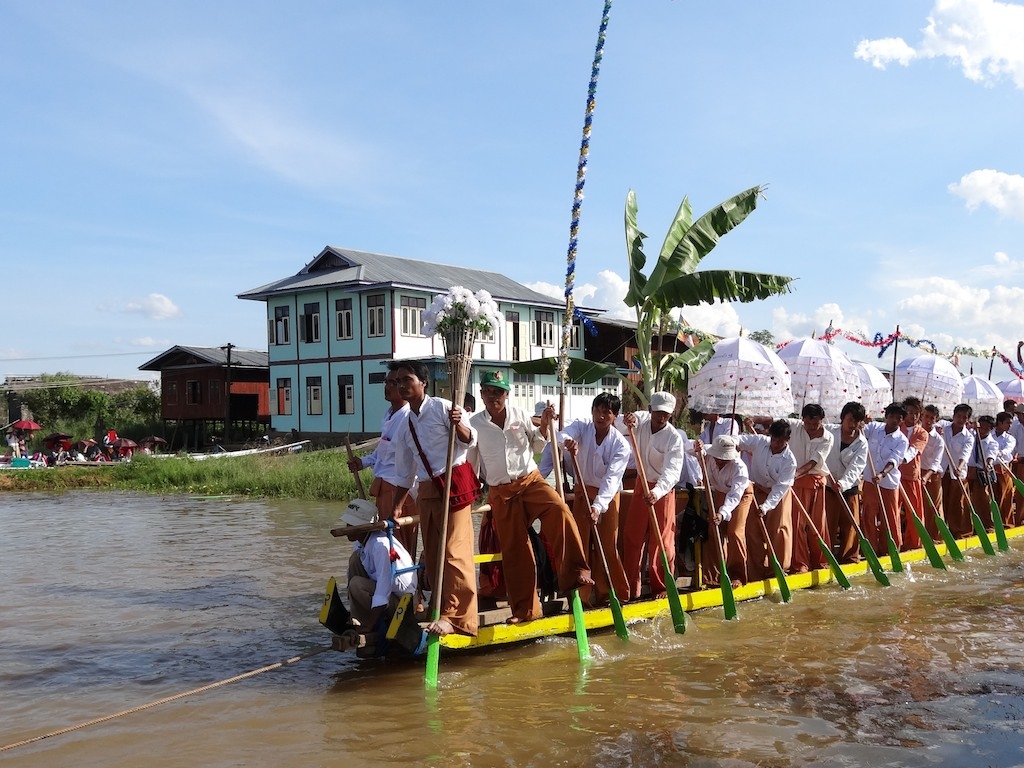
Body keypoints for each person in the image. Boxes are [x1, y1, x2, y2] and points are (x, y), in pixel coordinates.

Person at [469, 371, 592, 624]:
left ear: (506, 394)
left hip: (530, 480)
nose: (493, 396)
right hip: (502, 491)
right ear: (481, 394)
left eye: (498, 392)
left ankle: (576, 573)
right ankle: (524, 610)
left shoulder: (520, 415)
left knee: (560, 510)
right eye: (488, 391)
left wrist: (545, 425)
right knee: (515, 550)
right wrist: (473, 492)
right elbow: (473, 462)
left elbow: (537, 445)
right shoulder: (475, 424)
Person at [390, 361, 479, 638]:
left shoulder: (443, 407)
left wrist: (458, 423)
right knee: (433, 554)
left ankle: (458, 617)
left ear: (423, 383)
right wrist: (395, 507)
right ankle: (439, 608)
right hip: (429, 489)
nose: (402, 386)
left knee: (453, 551)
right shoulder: (405, 424)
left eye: (407, 379)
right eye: (398, 382)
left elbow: (469, 439)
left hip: (454, 482)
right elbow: (405, 473)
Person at [560, 392, 631, 607]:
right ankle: (580, 597)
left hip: (607, 496)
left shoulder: (620, 445)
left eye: (606, 412)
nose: (600, 416)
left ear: (615, 416)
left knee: (607, 545)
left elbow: (612, 479)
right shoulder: (582, 426)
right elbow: (562, 434)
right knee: (581, 542)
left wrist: (599, 506)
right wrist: (568, 443)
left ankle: (609, 593)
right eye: (597, 411)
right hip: (582, 490)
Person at [616, 391, 684, 600]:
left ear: (670, 415)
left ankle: (662, 586)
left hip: (662, 490)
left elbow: (673, 470)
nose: (660, 417)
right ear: (650, 410)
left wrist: (656, 492)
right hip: (641, 483)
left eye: (665, 414)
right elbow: (620, 423)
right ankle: (629, 587)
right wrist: (628, 420)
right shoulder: (642, 421)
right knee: (632, 536)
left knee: (661, 541)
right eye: (657, 413)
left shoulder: (673, 437)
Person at [754, 405, 833, 574]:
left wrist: (794, 473)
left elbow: (814, 461)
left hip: (814, 481)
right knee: (796, 525)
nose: (811, 427)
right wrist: (754, 420)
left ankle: (820, 561)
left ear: (822, 421)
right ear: (802, 419)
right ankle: (800, 563)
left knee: (817, 524)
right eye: (808, 423)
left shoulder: (828, 437)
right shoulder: (794, 426)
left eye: (815, 424)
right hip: (794, 484)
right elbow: (772, 421)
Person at [347, 373, 418, 558]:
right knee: (386, 538)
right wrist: (363, 462)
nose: (388, 387)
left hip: (398, 488)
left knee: (398, 541)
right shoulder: (389, 415)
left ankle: (403, 582)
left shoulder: (407, 417)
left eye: (394, 382)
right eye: (386, 382)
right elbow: (383, 449)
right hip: (385, 484)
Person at [735, 420, 797, 579]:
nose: (775, 444)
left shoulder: (790, 461)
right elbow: (739, 440)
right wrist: (733, 444)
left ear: (787, 441)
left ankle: (778, 571)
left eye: (780, 441)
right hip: (756, 489)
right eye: (774, 439)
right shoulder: (760, 441)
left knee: (778, 531)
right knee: (752, 530)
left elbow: (780, 488)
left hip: (778, 494)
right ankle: (756, 572)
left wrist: (766, 506)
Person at [697, 434, 754, 587]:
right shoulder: (707, 455)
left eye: (724, 458)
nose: (720, 461)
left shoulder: (739, 468)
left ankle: (738, 575)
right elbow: (688, 446)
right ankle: (713, 576)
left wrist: (722, 513)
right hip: (720, 492)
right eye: (718, 457)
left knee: (734, 532)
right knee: (713, 530)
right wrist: (697, 448)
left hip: (741, 495)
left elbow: (735, 495)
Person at [861, 403, 910, 554]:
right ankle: (870, 548)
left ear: (902, 420)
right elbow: (861, 430)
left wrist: (882, 474)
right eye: (892, 416)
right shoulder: (874, 428)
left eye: (898, 418)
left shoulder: (902, 440)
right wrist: (862, 422)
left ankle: (890, 549)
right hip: (870, 480)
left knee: (889, 517)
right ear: (886, 416)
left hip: (888, 482)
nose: (894, 420)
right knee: (868, 514)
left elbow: (894, 460)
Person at [824, 401, 868, 563]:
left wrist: (842, 483)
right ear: (843, 418)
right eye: (850, 420)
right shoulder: (828, 432)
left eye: (857, 421)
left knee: (850, 525)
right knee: (827, 523)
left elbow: (856, 468)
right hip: (828, 485)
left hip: (849, 488)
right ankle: (825, 558)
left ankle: (849, 557)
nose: (853, 424)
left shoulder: (862, 444)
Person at [898, 397, 930, 550]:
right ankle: (894, 542)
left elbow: (914, 451)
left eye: (916, 413)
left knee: (914, 512)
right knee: (893, 512)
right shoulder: (897, 427)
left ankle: (914, 543)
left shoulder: (922, 433)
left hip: (911, 476)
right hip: (892, 476)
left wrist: (900, 459)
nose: (913, 416)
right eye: (909, 412)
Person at [940, 404, 975, 537]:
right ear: (954, 416)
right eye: (958, 416)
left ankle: (958, 532)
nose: (960, 419)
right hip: (942, 470)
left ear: (967, 419)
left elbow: (965, 454)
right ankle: (941, 531)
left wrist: (959, 467)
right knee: (942, 501)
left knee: (957, 503)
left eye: (964, 417)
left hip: (958, 473)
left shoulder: (968, 436)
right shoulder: (943, 428)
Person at [919, 404, 946, 541]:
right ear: (921, 416)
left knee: (934, 506)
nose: (928, 420)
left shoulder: (938, 440)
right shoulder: (915, 432)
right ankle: (919, 537)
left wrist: (926, 476)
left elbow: (936, 462)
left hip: (932, 474)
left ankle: (935, 537)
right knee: (918, 506)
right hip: (915, 473)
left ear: (936, 420)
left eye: (932, 418)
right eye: (926, 417)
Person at [966, 414, 998, 532]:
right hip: (968, 471)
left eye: (986, 428)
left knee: (982, 501)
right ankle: (968, 526)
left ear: (991, 429)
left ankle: (986, 525)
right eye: (981, 427)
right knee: (966, 500)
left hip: (981, 473)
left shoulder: (992, 443)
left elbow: (991, 455)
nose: (983, 430)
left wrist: (989, 464)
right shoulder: (971, 435)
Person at [992, 412, 1017, 528]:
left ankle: (1007, 524)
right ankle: (991, 524)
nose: (1009, 426)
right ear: (999, 423)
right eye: (1007, 423)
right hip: (990, 468)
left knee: (1005, 497)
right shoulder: (989, 435)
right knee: (991, 496)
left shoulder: (1010, 438)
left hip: (1004, 468)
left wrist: (999, 453)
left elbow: (1008, 450)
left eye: (1010, 423)